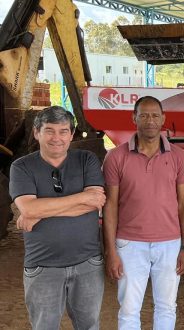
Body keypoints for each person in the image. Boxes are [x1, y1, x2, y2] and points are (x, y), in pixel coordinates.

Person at [9, 106, 106, 330]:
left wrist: (39, 211)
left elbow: (98, 201)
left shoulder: (86, 160)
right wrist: (82, 198)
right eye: (49, 130)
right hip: (42, 266)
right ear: (36, 132)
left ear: (71, 134)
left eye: (63, 131)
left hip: (88, 263)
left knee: (90, 326)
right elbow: (29, 208)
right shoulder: (21, 167)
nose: (57, 138)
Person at [102, 96, 184, 330]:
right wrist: (111, 250)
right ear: (134, 118)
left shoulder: (178, 156)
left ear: (163, 119)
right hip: (129, 244)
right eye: (143, 115)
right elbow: (110, 205)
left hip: (169, 244)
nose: (149, 120)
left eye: (155, 115)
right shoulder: (116, 157)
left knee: (166, 307)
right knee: (129, 309)